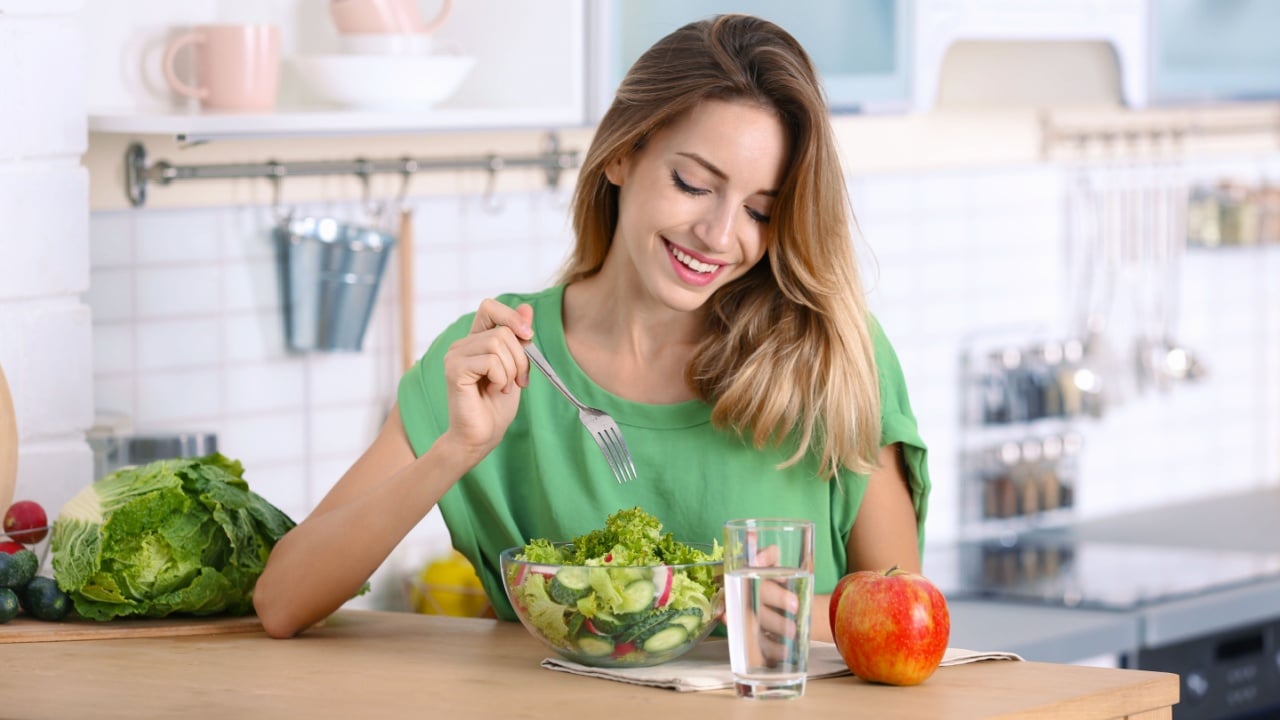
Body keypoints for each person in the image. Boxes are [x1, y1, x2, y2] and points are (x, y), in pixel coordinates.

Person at [254, 14, 929, 644]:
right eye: (693, 184)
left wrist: (723, 603)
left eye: (759, 210)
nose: (720, 235)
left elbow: (905, 618)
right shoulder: (499, 359)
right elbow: (283, 601)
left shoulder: (834, 356)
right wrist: (456, 449)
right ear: (621, 155)